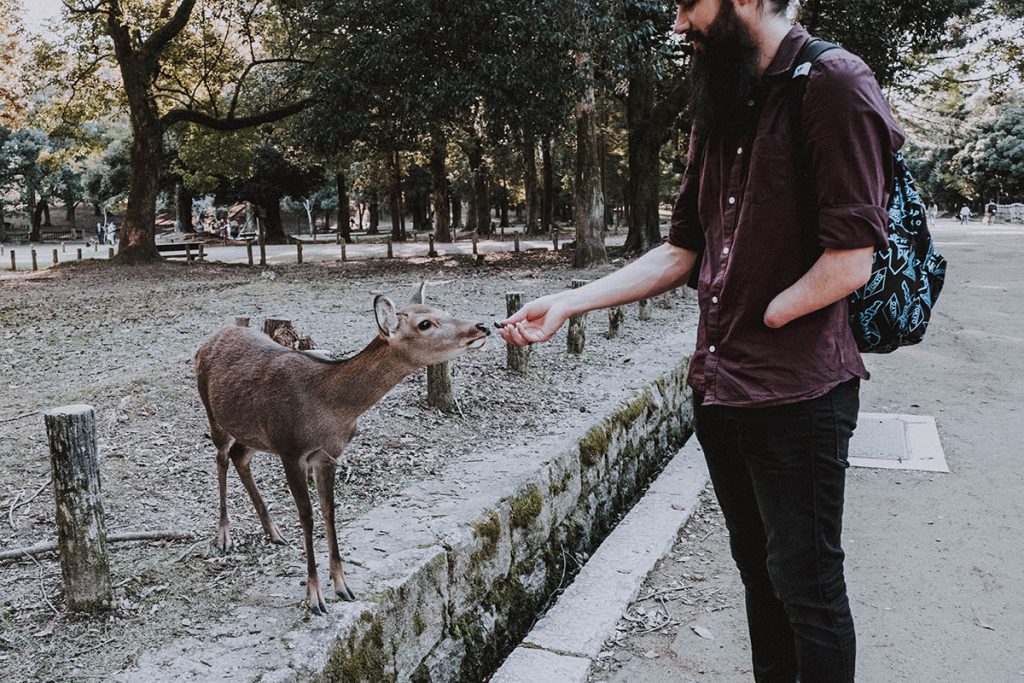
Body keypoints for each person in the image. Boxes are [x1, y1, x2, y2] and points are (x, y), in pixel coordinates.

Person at [500, 2, 902, 681]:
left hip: (800, 394)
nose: (678, 21)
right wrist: (569, 301)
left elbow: (851, 258)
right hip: (720, 390)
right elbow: (681, 250)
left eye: (689, 3)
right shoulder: (723, 92)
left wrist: (771, 313)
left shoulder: (835, 83)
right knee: (758, 572)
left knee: (807, 586)